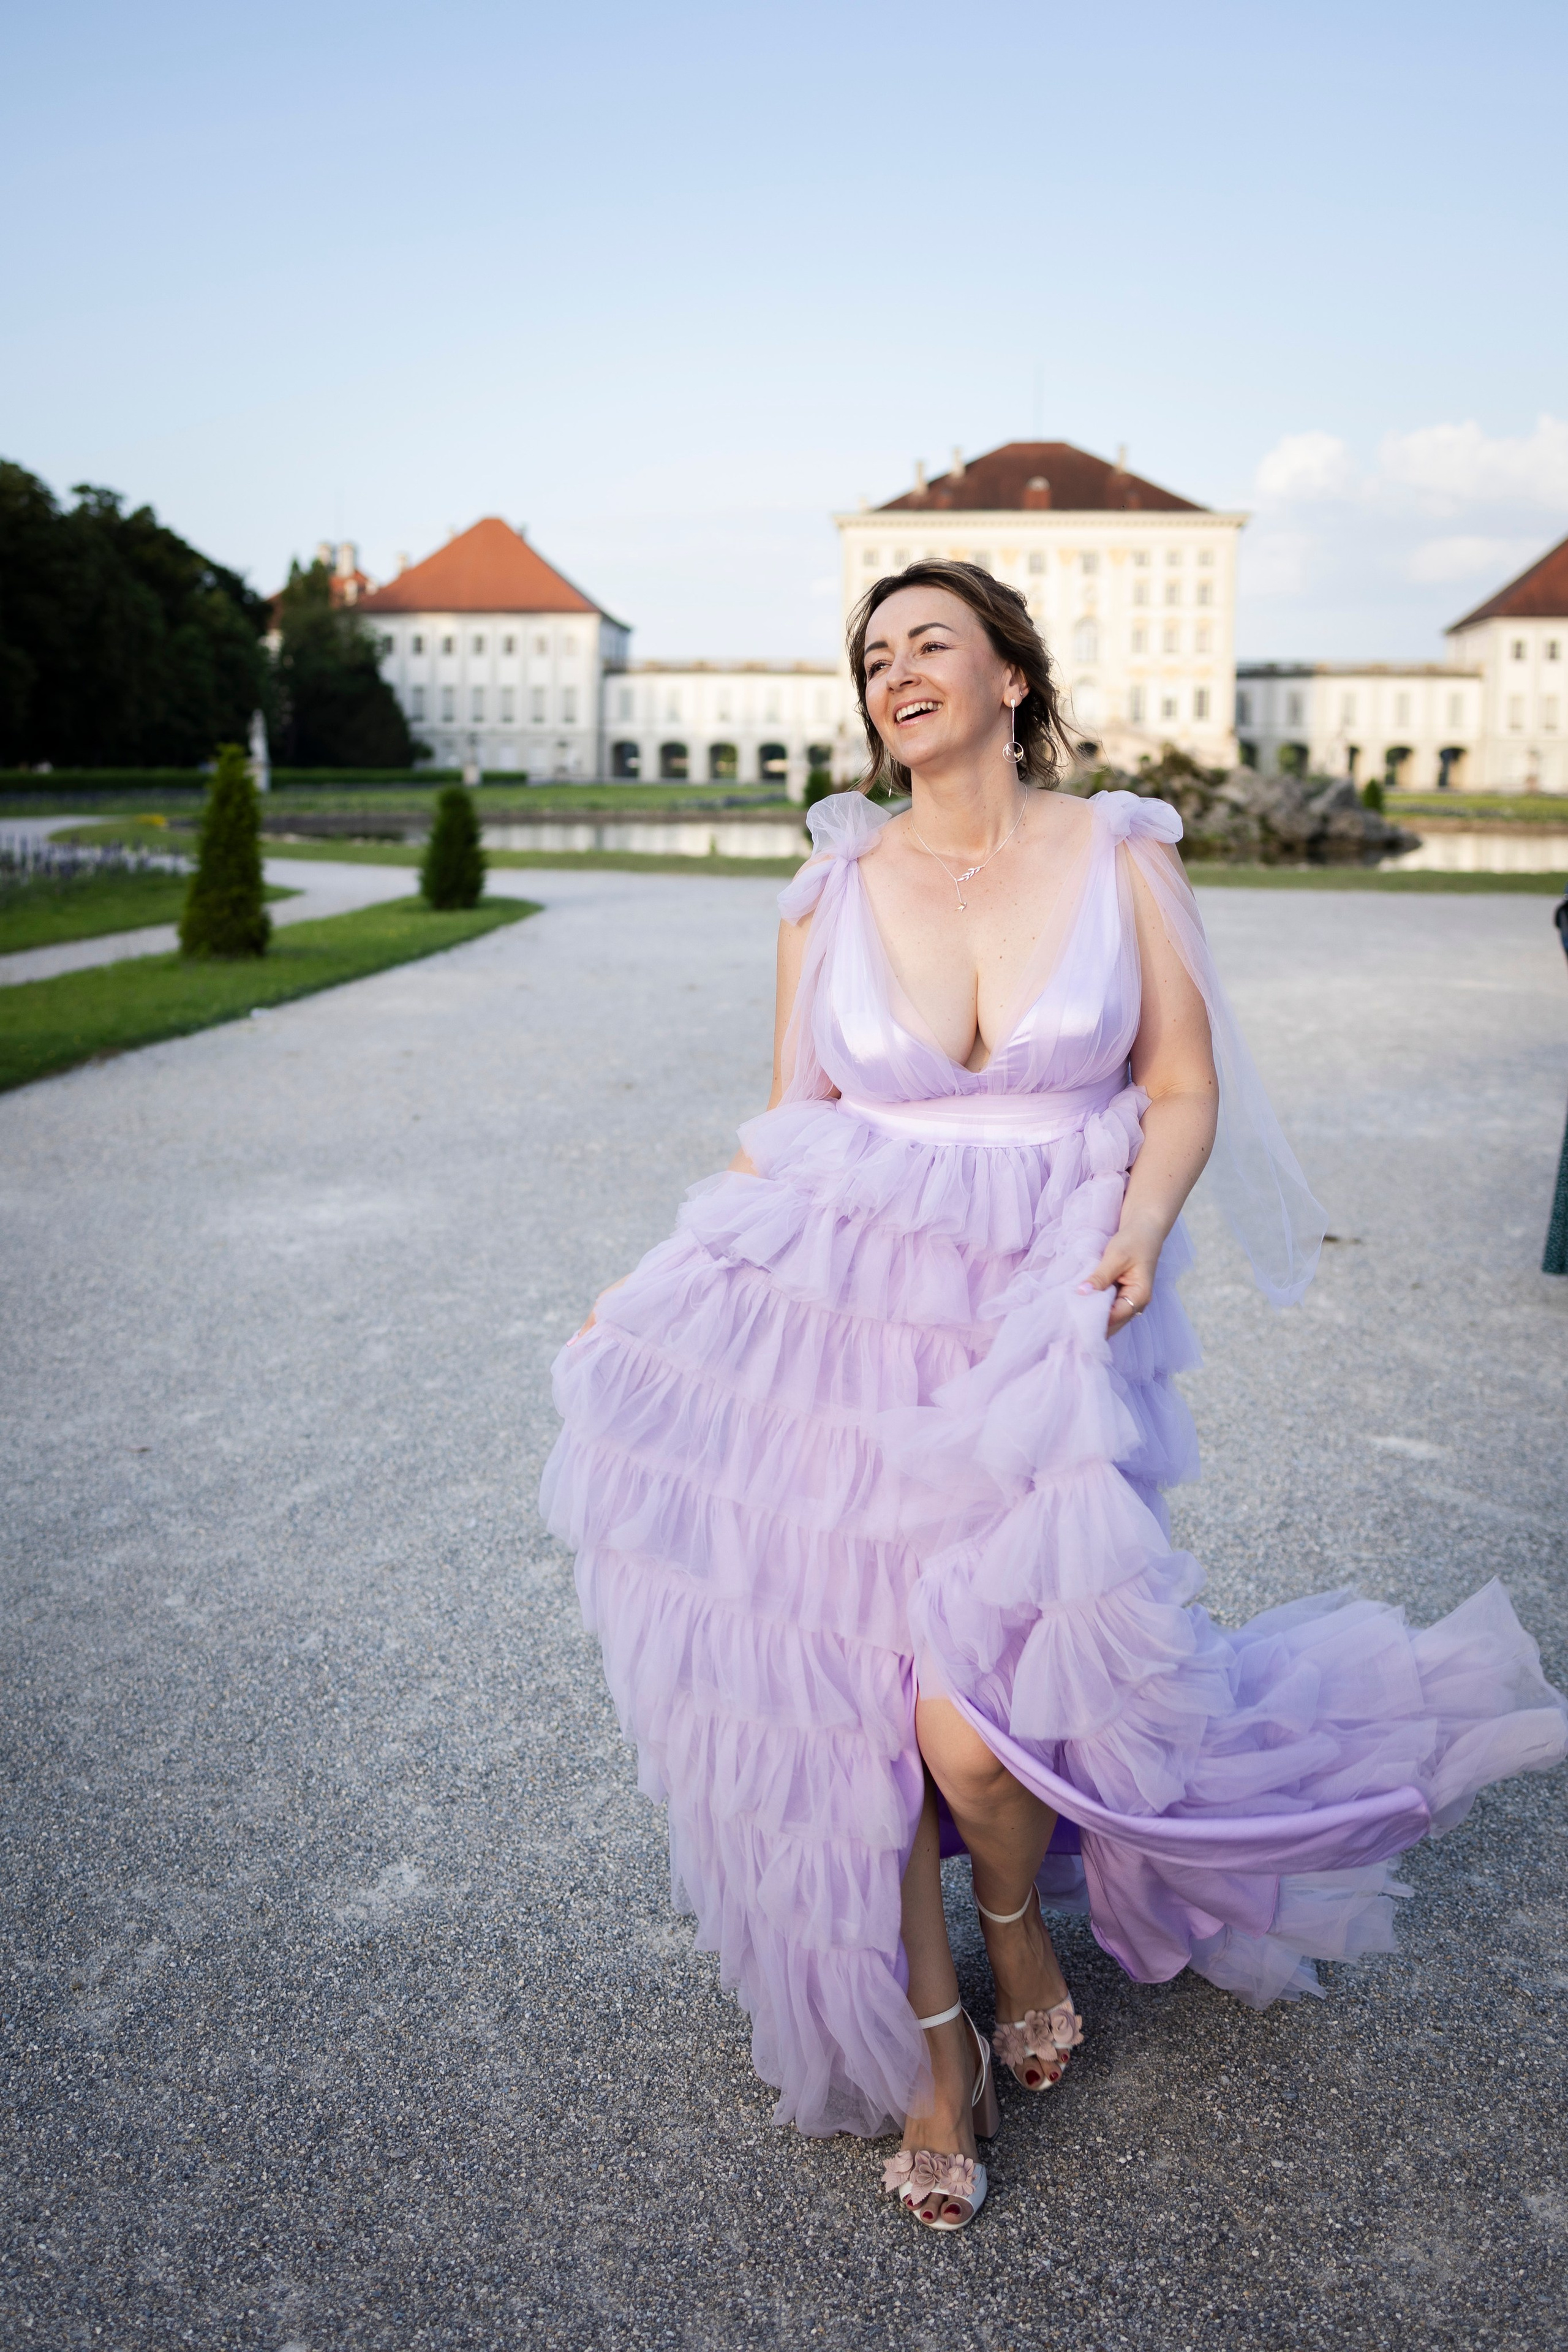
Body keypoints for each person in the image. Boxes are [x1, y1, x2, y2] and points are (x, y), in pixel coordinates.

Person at [541, 561, 1567, 2231]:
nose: (894, 671)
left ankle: (1020, 1922)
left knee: (983, 1736)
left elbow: (1178, 1084)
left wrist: (1143, 1229)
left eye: (928, 642)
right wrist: (653, 1292)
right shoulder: (826, 887)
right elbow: (785, 1125)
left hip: (1039, 1327)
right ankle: (936, 2056)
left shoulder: (1122, 855)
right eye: (872, 655)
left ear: (1012, 675)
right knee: (855, 1728)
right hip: (841, 1338)